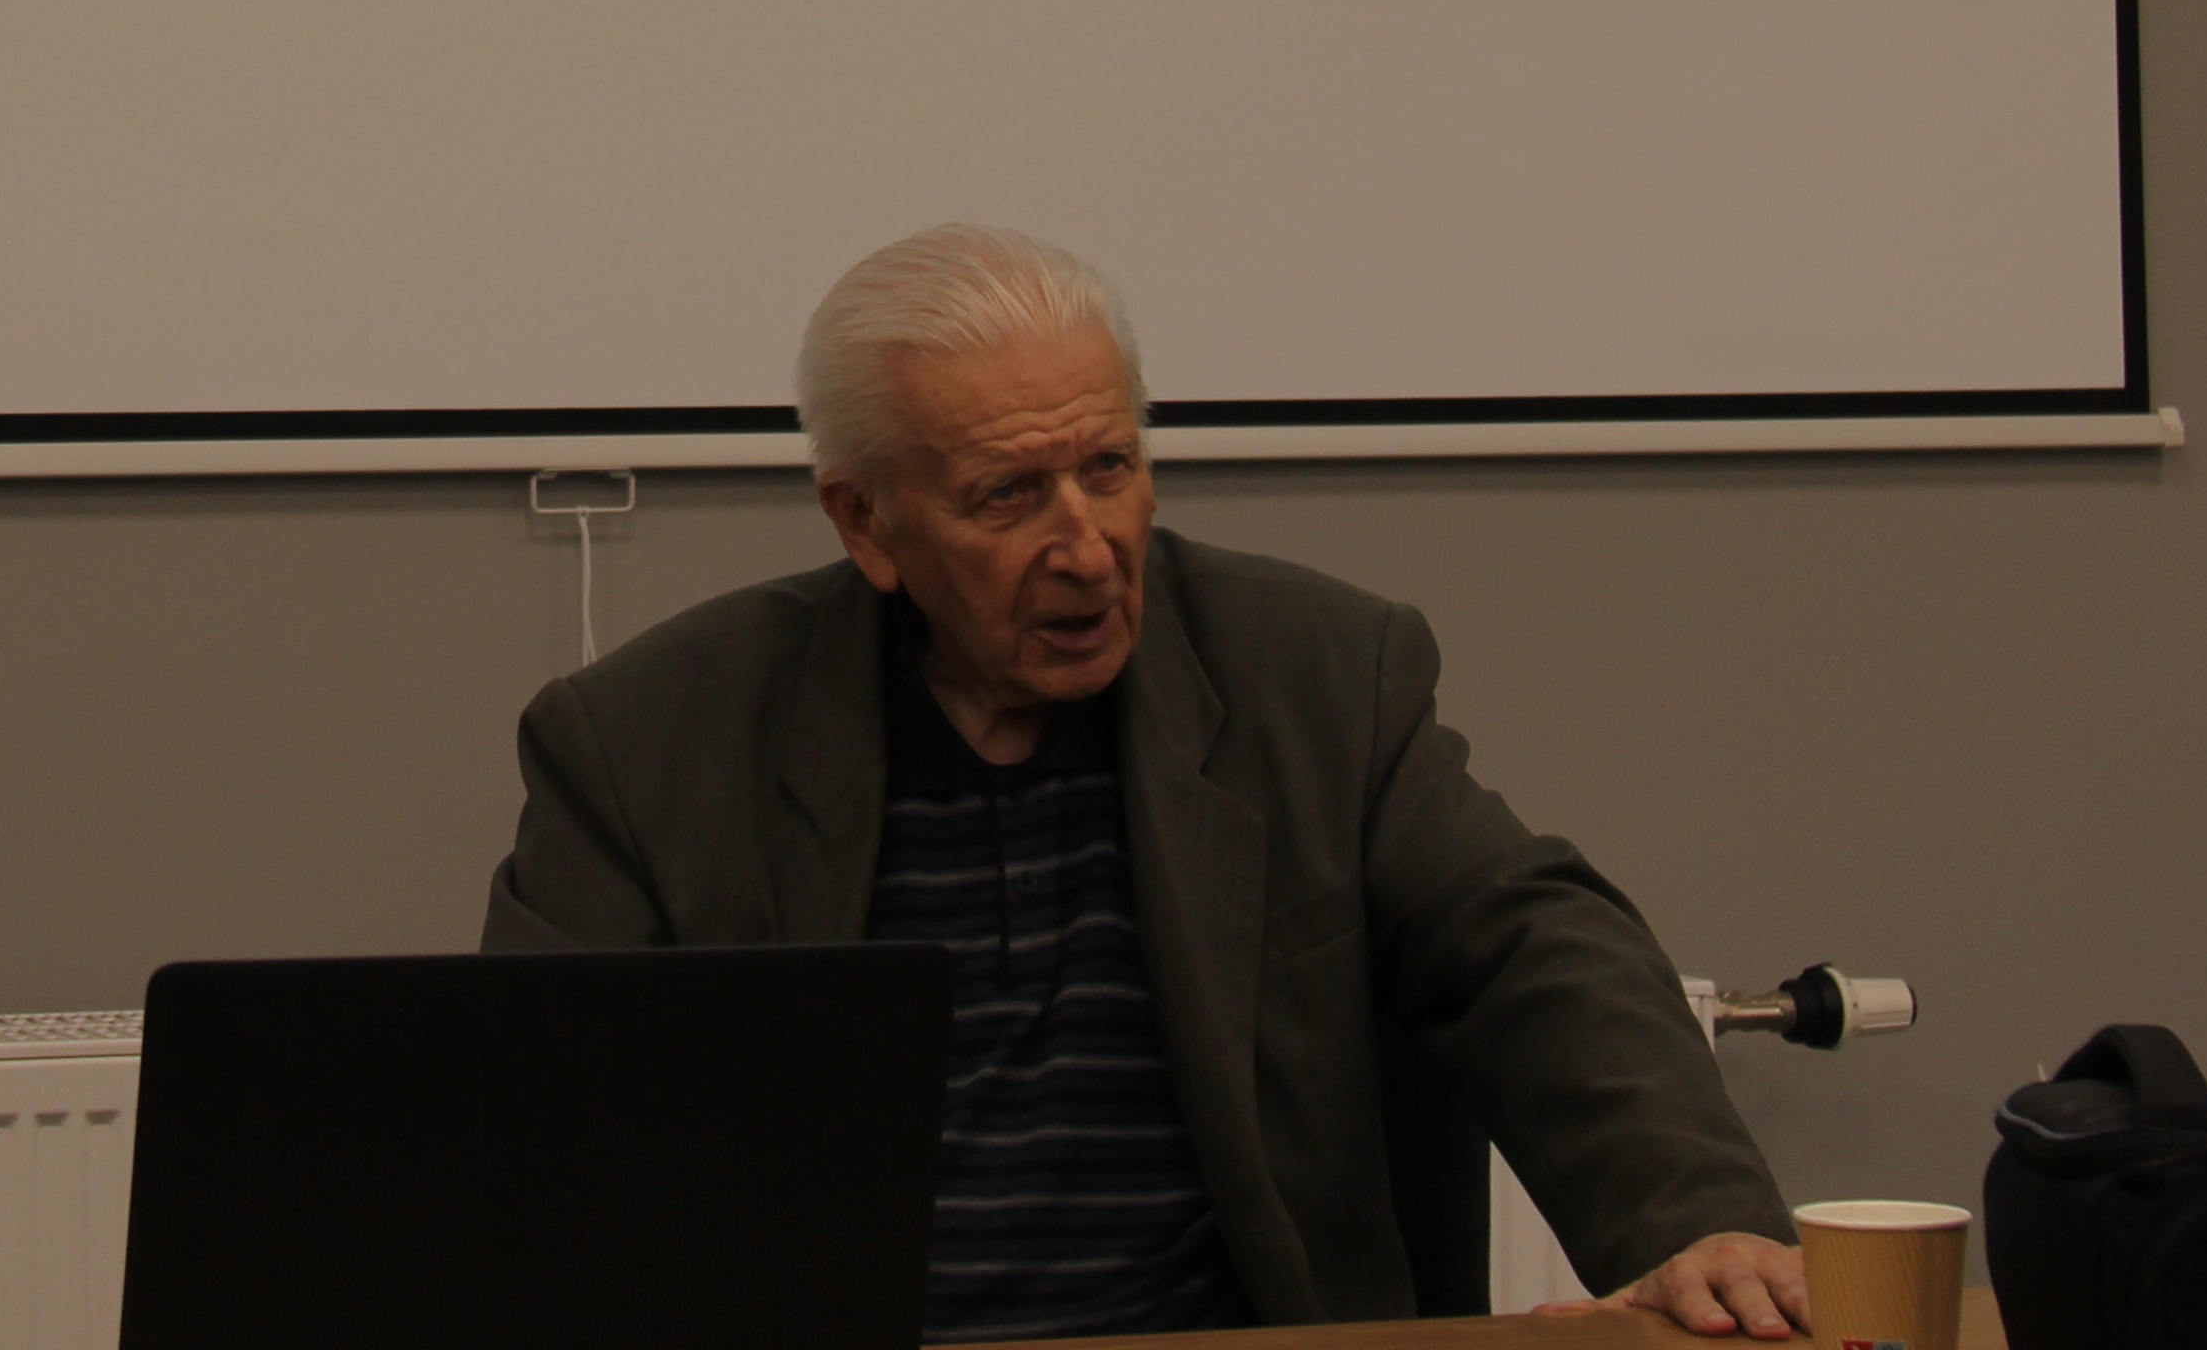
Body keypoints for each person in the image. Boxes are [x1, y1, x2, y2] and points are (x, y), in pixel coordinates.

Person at [483, 225, 1808, 1341]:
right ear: (865, 521)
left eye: (1109, 468)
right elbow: (531, 1141)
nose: (1087, 547)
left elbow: (1531, 945)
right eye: (1009, 496)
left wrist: (1699, 1225)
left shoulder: (1316, 677)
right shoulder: (649, 745)